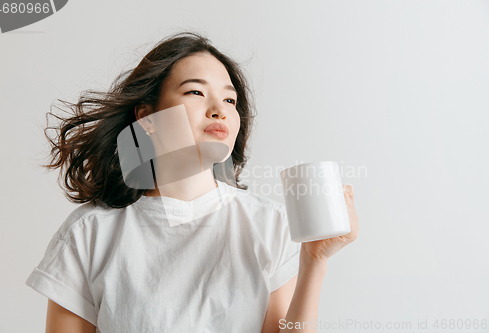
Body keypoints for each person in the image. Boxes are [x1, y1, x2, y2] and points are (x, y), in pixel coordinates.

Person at [25, 31, 359, 333]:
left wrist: (314, 261)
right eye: (196, 92)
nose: (219, 110)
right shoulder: (89, 234)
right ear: (146, 118)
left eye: (230, 100)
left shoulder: (269, 224)